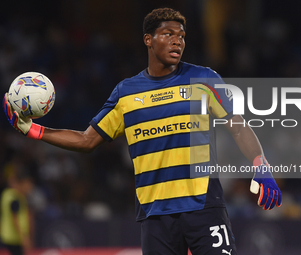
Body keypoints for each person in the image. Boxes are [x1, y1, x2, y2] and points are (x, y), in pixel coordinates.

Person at [3, 7, 282, 255]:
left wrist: (260, 162)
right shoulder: (125, 93)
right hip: (155, 215)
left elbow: (237, 124)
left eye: (181, 36)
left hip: (203, 206)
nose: (177, 41)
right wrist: (34, 130)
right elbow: (87, 140)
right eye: (168, 34)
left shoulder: (204, 79)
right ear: (148, 40)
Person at [0, 169, 34, 255]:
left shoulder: (7, 194)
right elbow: (14, 218)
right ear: (21, 183)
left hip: (8, 235)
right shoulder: (15, 198)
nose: (29, 187)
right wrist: (24, 237)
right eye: (27, 184)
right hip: (14, 237)